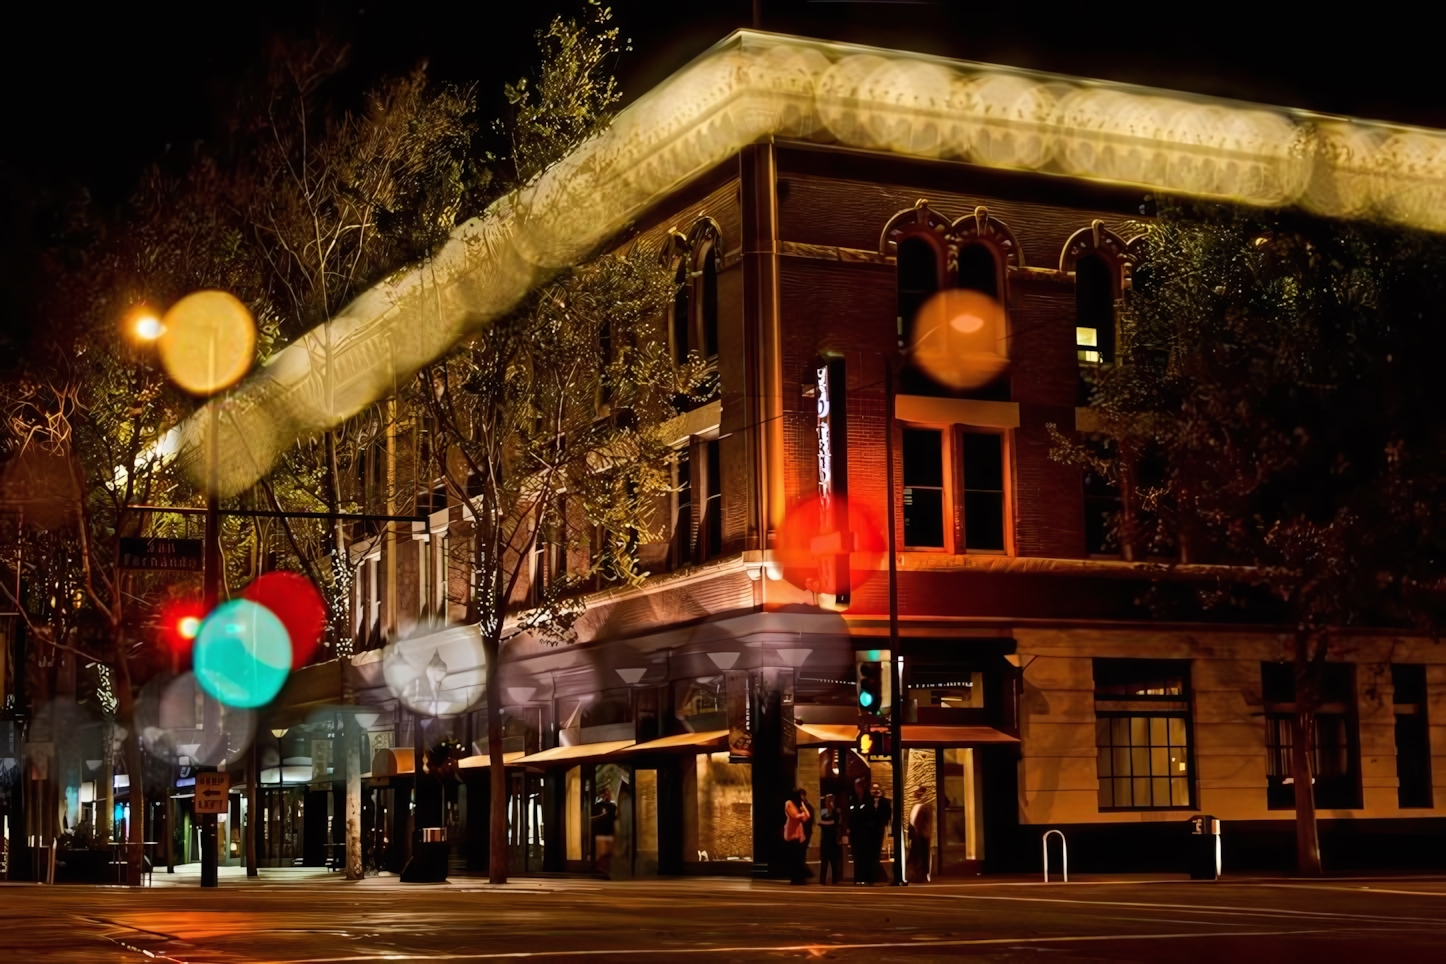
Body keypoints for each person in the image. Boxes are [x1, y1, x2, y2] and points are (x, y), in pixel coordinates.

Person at [852, 781, 892, 885]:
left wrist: (883, 824)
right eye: (873, 790)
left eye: (877, 789)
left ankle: (876, 876)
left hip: (879, 830)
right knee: (868, 854)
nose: (875, 791)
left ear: (880, 790)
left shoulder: (885, 802)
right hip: (867, 831)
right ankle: (869, 876)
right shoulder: (867, 801)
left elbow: (887, 815)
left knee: (876, 853)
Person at [783, 788, 811, 884]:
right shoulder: (789, 803)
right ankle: (794, 878)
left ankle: (799, 878)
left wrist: (803, 806)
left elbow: (807, 817)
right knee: (793, 856)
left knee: (799, 857)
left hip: (798, 833)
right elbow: (795, 816)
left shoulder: (799, 805)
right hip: (791, 833)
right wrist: (802, 813)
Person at [907, 784, 934, 883]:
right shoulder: (915, 806)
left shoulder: (927, 807)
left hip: (922, 835)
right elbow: (912, 821)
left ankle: (922, 875)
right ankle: (915, 875)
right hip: (915, 834)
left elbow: (926, 822)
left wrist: (925, 833)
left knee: (922, 856)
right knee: (915, 855)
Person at [817, 793, 844, 885]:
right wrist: (826, 823)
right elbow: (820, 822)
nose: (828, 803)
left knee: (834, 862)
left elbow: (833, 822)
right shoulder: (824, 814)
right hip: (825, 841)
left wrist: (825, 823)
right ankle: (822, 881)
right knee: (824, 862)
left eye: (830, 801)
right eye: (827, 801)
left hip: (833, 841)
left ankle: (835, 880)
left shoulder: (836, 813)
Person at [591, 786, 617, 878]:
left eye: (608, 793)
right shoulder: (598, 806)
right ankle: (602, 871)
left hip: (609, 833)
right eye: (605, 793)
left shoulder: (613, 807)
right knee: (602, 853)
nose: (607, 795)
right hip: (601, 833)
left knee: (608, 854)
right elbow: (592, 819)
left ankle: (606, 871)